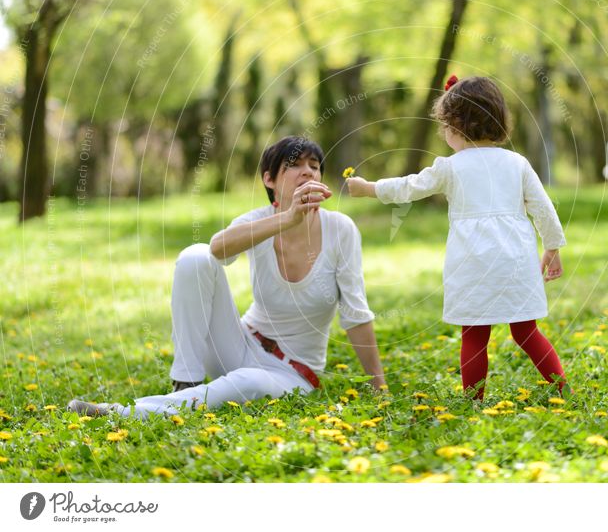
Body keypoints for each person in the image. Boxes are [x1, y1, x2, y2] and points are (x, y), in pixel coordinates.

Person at [69, 136, 385, 418]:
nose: (307, 171)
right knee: (195, 256)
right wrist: (286, 220)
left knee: (247, 382)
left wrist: (379, 386)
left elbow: (356, 314)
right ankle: (185, 382)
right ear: (270, 179)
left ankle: (124, 413)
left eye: (314, 166)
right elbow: (217, 249)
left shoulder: (341, 230)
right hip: (239, 344)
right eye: (294, 165)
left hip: (291, 373)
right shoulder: (259, 221)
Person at [347, 75, 568, 400]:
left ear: (455, 126)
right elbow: (543, 209)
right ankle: (561, 388)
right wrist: (552, 247)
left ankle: (473, 401)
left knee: (474, 335)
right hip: (515, 262)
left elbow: (410, 187)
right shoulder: (517, 163)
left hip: (473, 263)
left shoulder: (450, 168)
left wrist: (370, 189)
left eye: (444, 126)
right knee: (526, 331)